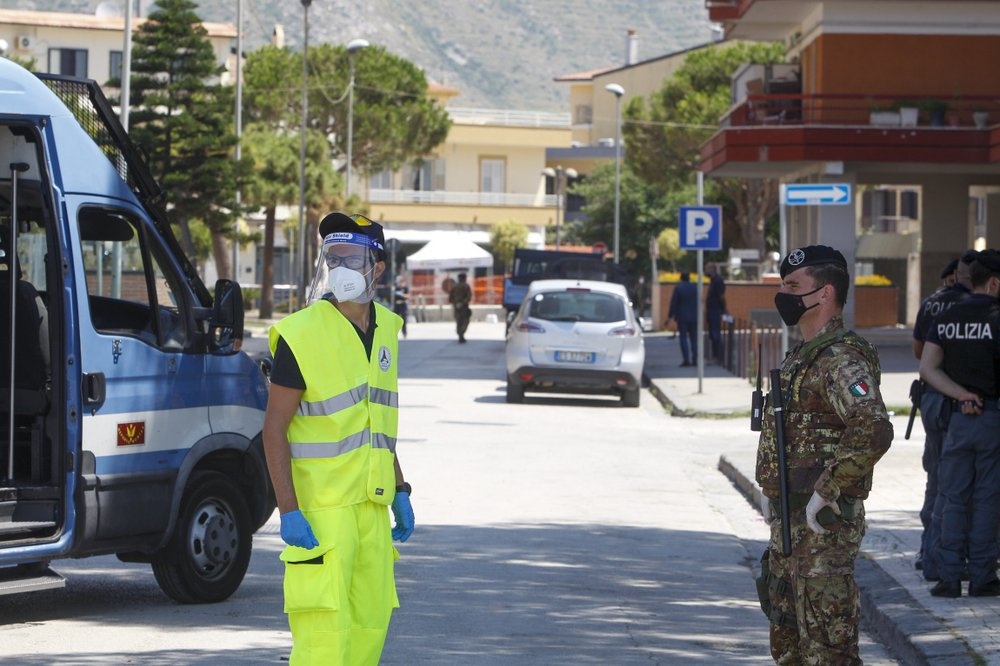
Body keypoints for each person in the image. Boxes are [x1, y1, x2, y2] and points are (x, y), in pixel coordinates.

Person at [262, 212, 415, 665]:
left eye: (353, 257)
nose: (342, 268)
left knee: (369, 633)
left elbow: (376, 424)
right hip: (321, 516)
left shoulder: (388, 328)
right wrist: (288, 511)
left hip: (371, 510)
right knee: (323, 643)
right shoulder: (300, 334)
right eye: (334, 257)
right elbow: (273, 429)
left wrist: (400, 488)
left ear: (378, 267)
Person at [756, 245, 893, 664]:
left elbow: (872, 426)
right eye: (782, 285)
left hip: (823, 526)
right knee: (790, 645)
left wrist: (828, 486)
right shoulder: (803, 356)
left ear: (825, 293)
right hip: (790, 525)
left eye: (794, 286)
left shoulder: (839, 357)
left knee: (827, 648)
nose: (784, 294)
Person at [918, 248, 1000, 598]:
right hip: (993, 417)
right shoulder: (997, 317)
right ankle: (982, 576)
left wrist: (961, 394)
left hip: (956, 418)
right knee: (987, 500)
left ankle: (948, 576)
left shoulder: (947, 315)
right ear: (994, 283)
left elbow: (927, 367)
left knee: (951, 497)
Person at [910, 251, 974, 578]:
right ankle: (953, 555)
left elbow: (918, 351)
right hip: (963, 401)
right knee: (963, 482)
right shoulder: (974, 308)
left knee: (936, 476)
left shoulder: (932, 304)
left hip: (933, 399)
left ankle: (929, 551)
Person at [667, 271, 698, 367]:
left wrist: (670, 316)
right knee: (694, 339)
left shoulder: (679, 288)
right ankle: (695, 359)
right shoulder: (695, 288)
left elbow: (674, 303)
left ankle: (686, 359)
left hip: (682, 317)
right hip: (694, 316)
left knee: (683, 338)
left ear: (681, 278)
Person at [705, 262, 727, 364]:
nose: (706, 271)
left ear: (713, 269)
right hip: (711, 310)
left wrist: (724, 309)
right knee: (712, 334)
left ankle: (718, 357)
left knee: (715, 334)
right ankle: (715, 356)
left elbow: (721, 296)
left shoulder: (718, 280)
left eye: (707, 269)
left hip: (716, 310)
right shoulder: (713, 280)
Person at [449, 272, 472, 343]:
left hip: (456, 306)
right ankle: (461, 333)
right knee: (465, 320)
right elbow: (469, 296)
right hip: (464, 306)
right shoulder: (466, 286)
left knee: (458, 321)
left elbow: (450, 297)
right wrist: (463, 303)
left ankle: (460, 334)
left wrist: (455, 303)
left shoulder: (454, 286)